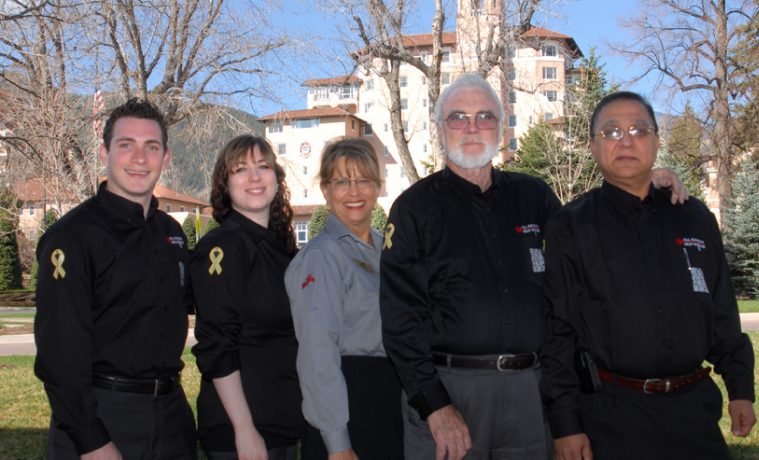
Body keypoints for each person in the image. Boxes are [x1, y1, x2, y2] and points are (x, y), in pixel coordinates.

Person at [379, 74, 688, 460]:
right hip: (450, 393)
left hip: (530, 395)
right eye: (458, 117)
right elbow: (400, 320)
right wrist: (435, 405)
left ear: (501, 127)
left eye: (485, 117)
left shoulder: (534, 196)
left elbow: (589, 231)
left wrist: (639, 181)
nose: (472, 127)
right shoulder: (413, 209)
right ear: (440, 128)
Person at [541, 91, 757, 460]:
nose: (626, 141)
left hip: (694, 413)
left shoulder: (694, 218)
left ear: (657, 142)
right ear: (593, 146)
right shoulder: (571, 226)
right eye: (611, 132)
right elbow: (557, 331)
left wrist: (741, 388)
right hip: (611, 417)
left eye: (639, 130)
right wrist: (566, 424)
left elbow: (721, 310)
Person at [34, 98, 197, 459]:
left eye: (151, 146)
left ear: (166, 157)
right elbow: (60, 355)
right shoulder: (72, 238)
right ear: (104, 152)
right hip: (101, 416)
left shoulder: (171, 234)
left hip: (171, 416)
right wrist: (91, 440)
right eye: (126, 145)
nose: (140, 158)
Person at [285, 137, 403, 460]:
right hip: (347, 409)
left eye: (363, 180)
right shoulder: (322, 256)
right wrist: (337, 443)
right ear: (325, 190)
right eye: (341, 182)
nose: (354, 192)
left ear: (378, 187)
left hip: (388, 404)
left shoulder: (387, 250)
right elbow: (317, 354)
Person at [190, 135, 303, 460]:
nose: (254, 177)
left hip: (284, 420)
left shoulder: (281, 249)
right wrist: (244, 429)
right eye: (240, 169)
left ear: (276, 179)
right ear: (225, 184)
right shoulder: (222, 248)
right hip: (242, 431)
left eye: (263, 167)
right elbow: (217, 345)